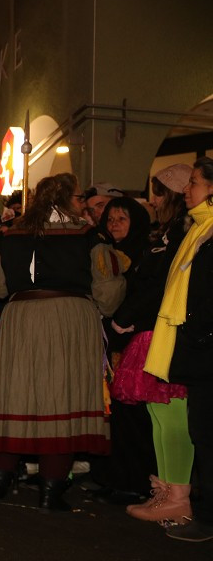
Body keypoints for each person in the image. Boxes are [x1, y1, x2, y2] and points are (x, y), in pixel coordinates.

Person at [0, 173, 125, 511]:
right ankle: (50, 491)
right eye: (77, 197)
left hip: (21, 317)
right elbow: (108, 287)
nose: (82, 203)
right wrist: (103, 310)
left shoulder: (10, 236)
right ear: (63, 199)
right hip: (69, 318)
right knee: (63, 397)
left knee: (12, 396)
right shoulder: (89, 235)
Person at [147, 157, 213, 541]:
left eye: (194, 183)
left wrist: (197, 333)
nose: (186, 190)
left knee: (205, 433)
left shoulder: (206, 232)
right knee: (201, 431)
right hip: (199, 349)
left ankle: (204, 515)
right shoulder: (199, 230)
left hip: (205, 349)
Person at [89, 197, 164, 506]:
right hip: (107, 340)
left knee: (132, 417)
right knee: (109, 416)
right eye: (110, 219)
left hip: (132, 342)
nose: (115, 224)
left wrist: (124, 321)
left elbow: (145, 297)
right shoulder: (102, 253)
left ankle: (136, 481)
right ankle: (112, 477)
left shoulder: (145, 256)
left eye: (122, 218)